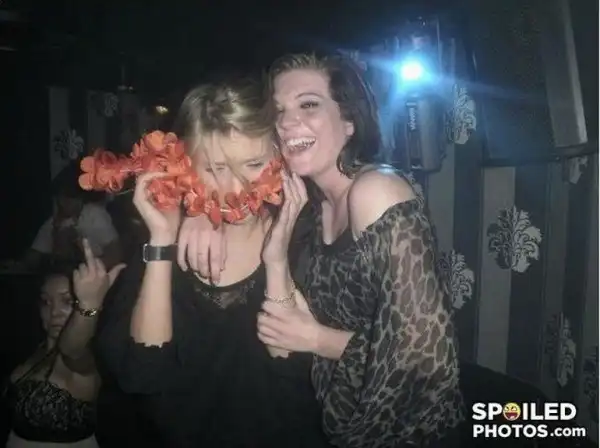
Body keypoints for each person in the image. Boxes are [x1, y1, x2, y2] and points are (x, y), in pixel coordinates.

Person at [177, 53, 465, 448]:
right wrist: (198, 211)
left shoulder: (375, 192)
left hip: (408, 434)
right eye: (278, 111)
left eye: (308, 104)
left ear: (349, 120)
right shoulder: (308, 205)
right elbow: (210, 167)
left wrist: (318, 339)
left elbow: (424, 358)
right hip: (337, 423)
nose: (286, 122)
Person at [93, 75, 330, 447]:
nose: (234, 190)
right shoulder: (166, 239)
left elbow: (295, 378)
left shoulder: (309, 236)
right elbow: (143, 374)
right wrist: (162, 242)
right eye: (215, 169)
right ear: (187, 167)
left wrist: (276, 261)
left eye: (253, 164)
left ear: (279, 156)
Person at [4, 239, 124, 448]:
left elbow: (71, 349)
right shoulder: (34, 349)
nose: (54, 312)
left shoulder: (85, 359)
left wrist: (89, 304)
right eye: (46, 301)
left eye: (68, 301)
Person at [20, 165, 121, 271]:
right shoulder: (54, 223)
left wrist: (88, 265)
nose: (65, 202)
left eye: (71, 196)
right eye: (61, 196)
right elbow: (32, 257)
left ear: (81, 197)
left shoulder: (95, 215)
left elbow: (115, 255)